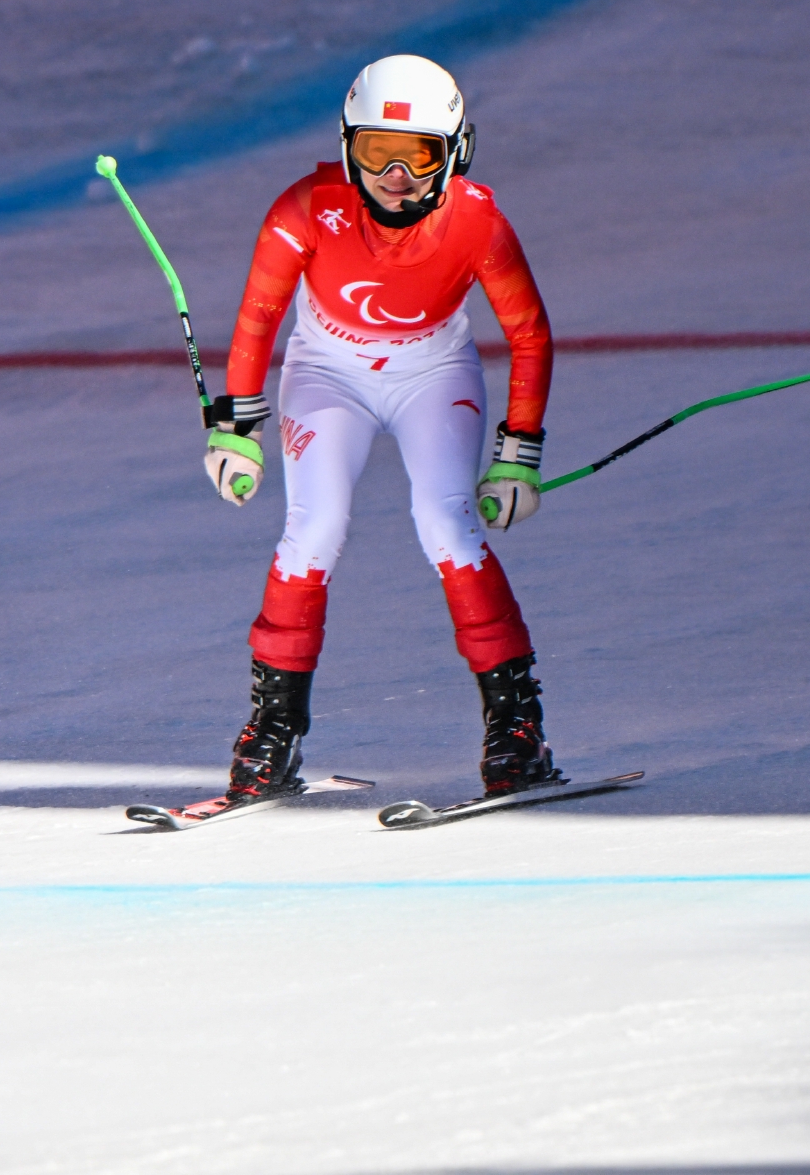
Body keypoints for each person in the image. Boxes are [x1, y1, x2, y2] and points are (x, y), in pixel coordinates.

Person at [201, 53, 556, 801]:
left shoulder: (479, 222)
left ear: (456, 152)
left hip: (434, 374)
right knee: (313, 527)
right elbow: (259, 317)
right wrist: (237, 428)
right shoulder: (305, 209)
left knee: (448, 522)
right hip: (328, 374)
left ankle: (515, 726)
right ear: (345, 147)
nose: (395, 176)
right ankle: (273, 729)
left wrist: (517, 455)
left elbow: (529, 333)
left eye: (418, 155)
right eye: (374, 152)